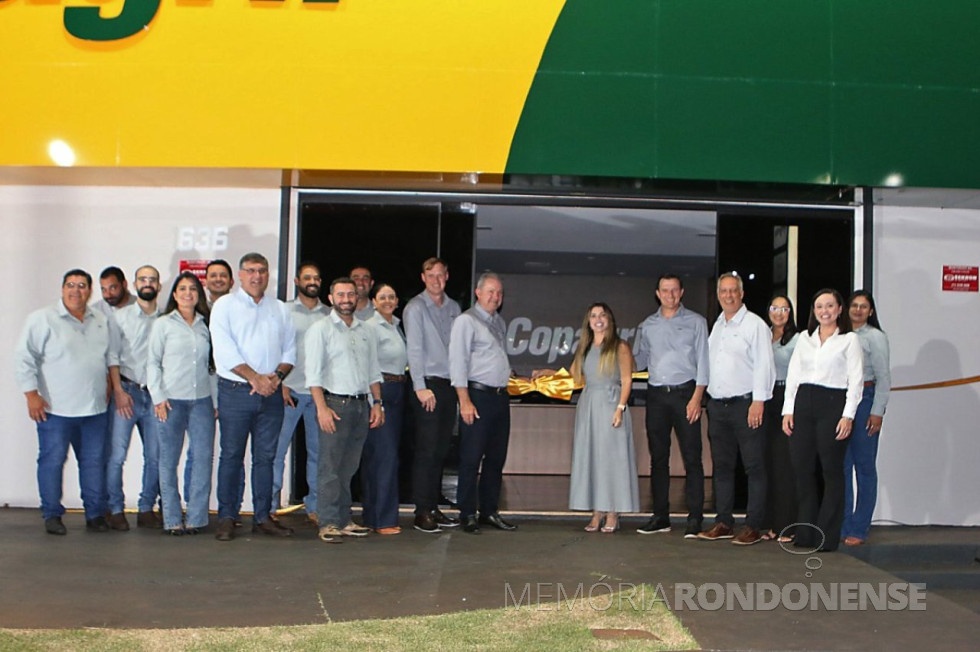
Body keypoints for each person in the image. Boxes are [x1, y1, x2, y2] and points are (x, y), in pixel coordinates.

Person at [14, 269, 120, 534]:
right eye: (71, 285)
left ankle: (95, 514)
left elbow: (108, 357)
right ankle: (52, 514)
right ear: (62, 289)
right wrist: (31, 394)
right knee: (52, 460)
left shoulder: (99, 320)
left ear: (90, 290)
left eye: (82, 286)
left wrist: (108, 385)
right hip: (55, 409)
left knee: (94, 462)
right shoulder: (42, 319)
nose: (76, 290)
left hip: (95, 409)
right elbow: (24, 358)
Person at [209, 252, 296, 541]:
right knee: (232, 456)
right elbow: (224, 350)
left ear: (268, 275)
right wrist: (255, 378)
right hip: (235, 392)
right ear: (241, 274)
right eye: (251, 271)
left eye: (262, 270)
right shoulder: (224, 306)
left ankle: (262, 517)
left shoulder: (280, 309)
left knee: (266, 457)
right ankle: (227, 517)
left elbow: (290, 351)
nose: (257, 276)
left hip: (271, 394)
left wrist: (275, 378)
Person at [782, 289, 863, 552]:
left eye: (830, 305)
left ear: (840, 309)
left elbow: (856, 381)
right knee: (802, 470)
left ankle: (826, 536)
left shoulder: (849, 340)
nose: (824, 311)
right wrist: (787, 410)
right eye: (819, 306)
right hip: (803, 404)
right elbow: (793, 375)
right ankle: (805, 533)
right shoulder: (804, 339)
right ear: (813, 311)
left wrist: (848, 415)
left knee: (831, 471)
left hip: (833, 405)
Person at [699, 273, 775, 546]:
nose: (728, 295)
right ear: (718, 294)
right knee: (722, 467)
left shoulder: (755, 325)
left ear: (741, 294)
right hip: (718, 407)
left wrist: (758, 401)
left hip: (746, 405)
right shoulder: (718, 324)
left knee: (754, 467)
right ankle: (724, 522)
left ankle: (753, 525)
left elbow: (764, 366)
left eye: (733, 291)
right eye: (723, 291)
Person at [306, 277, 384, 543]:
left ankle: (343, 519)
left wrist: (377, 403)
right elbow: (313, 375)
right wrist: (321, 409)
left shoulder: (366, 330)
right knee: (329, 467)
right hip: (334, 405)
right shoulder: (321, 329)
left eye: (350, 294)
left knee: (348, 468)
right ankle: (327, 522)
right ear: (331, 298)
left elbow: (373, 371)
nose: (346, 299)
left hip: (362, 405)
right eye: (340, 295)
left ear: (357, 296)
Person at [634, 275, 708, 538]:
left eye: (674, 290)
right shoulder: (647, 325)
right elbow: (637, 361)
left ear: (682, 292)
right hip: (656, 397)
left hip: (686, 394)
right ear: (657, 293)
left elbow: (704, 362)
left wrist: (697, 398)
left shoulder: (696, 322)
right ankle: (660, 516)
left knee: (692, 460)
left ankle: (695, 519)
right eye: (665, 290)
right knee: (659, 459)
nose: (670, 295)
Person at [148, 272, 216, 535]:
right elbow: (152, 363)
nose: (188, 293)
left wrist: (215, 400)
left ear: (198, 294)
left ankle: (197, 518)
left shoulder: (205, 324)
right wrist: (158, 397)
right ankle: (172, 519)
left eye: (193, 289)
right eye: (182, 289)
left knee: (202, 459)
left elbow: (212, 366)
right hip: (171, 401)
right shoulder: (163, 325)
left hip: (201, 402)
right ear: (174, 295)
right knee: (168, 461)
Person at [449, 273, 518, 534]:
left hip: (500, 398)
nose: (495, 297)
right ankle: (467, 513)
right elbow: (458, 363)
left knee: (496, 458)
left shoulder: (498, 322)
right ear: (478, 293)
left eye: (499, 293)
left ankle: (489, 511)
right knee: (471, 457)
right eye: (490, 291)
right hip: (477, 397)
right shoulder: (467, 321)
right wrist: (464, 401)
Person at [568, 303, 640, 533]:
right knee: (593, 459)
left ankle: (612, 512)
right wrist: (543, 377)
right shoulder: (585, 347)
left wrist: (620, 407)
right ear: (588, 321)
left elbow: (627, 380)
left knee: (612, 460)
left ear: (609, 319)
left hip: (611, 405)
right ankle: (597, 511)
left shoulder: (620, 347)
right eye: (593, 316)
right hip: (589, 406)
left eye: (602, 315)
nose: (598, 319)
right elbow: (572, 378)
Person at [403, 257, 461, 533]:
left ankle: (434, 506)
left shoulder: (454, 308)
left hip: (449, 386)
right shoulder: (415, 307)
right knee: (426, 450)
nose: (436, 280)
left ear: (447, 276)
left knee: (440, 450)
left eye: (441, 275)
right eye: (431, 275)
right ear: (423, 278)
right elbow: (414, 349)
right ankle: (422, 511)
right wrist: (419, 386)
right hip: (427, 386)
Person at [105, 265, 163, 531]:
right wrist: (118, 391)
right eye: (143, 279)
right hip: (127, 392)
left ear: (159, 286)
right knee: (116, 455)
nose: (148, 283)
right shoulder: (120, 317)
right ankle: (115, 509)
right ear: (135, 284)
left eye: (152, 279)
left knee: (155, 455)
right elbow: (112, 357)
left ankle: (145, 508)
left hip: (155, 395)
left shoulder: (167, 319)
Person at [271, 262, 330, 523]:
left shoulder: (329, 315)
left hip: (318, 395)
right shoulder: (283, 311)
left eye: (317, 277)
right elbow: (274, 347)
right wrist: (280, 382)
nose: (313, 281)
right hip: (289, 391)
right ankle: (269, 507)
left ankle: (314, 506)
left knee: (319, 454)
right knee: (276, 451)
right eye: (307, 277)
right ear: (297, 281)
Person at [842, 290, 891, 546]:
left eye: (864, 306)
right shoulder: (840, 335)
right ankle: (842, 524)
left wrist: (877, 411)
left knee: (864, 468)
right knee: (841, 468)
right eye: (854, 305)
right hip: (842, 401)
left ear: (870, 311)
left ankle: (859, 528)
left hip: (866, 400)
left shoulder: (875, 337)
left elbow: (884, 377)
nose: (858, 310)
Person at [361, 282, 409, 534]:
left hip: (397, 391)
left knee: (381, 457)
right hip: (380, 392)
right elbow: (368, 367)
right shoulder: (371, 326)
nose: (388, 300)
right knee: (385, 457)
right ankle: (384, 520)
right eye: (382, 297)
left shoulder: (395, 325)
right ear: (374, 301)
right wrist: (374, 402)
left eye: (392, 296)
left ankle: (372, 516)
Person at [762, 295, 800, 543]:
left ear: (790, 312)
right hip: (766, 400)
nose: (779, 312)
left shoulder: (799, 339)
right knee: (769, 467)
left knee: (786, 467)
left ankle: (790, 526)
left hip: (789, 400)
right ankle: (773, 525)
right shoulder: (763, 336)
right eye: (774, 308)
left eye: (784, 308)